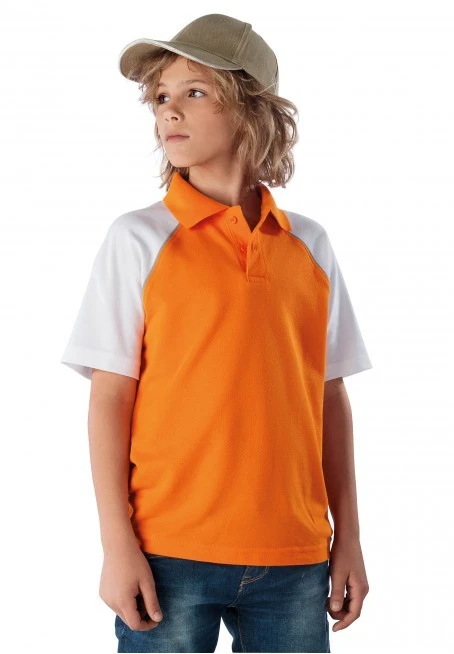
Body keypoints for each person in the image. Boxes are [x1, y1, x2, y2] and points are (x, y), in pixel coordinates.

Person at [60, 13, 372, 653]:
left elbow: (328, 398)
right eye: (160, 97)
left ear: (253, 109)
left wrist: (350, 538)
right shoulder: (138, 239)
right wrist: (116, 544)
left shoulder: (310, 245)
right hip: (169, 552)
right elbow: (110, 398)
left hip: (295, 555)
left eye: (194, 91)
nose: (168, 111)